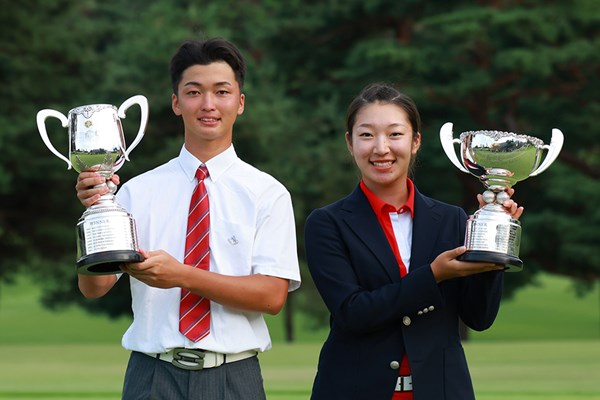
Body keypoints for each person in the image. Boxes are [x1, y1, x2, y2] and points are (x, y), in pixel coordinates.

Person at [75, 37, 301, 399]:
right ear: (176, 103)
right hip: (152, 376)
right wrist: (97, 211)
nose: (208, 104)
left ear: (240, 103)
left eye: (222, 92)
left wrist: (181, 276)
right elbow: (94, 287)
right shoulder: (136, 192)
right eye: (194, 92)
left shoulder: (267, 193)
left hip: (234, 377)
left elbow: (272, 297)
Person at [304, 83, 524, 400]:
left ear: (415, 141)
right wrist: (433, 275)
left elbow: (479, 318)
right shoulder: (327, 223)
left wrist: (490, 240)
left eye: (395, 134)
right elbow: (353, 313)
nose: (381, 148)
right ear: (350, 143)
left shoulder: (452, 219)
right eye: (366, 135)